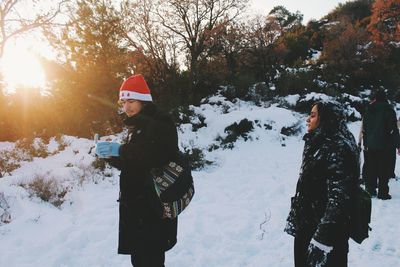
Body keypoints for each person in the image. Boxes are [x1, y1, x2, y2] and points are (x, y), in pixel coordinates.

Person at [95, 74, 178, 267]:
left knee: (150, 261)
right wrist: (111, 156)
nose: (127, 107)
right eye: (124, 102)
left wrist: (121, 149)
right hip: (139, 208)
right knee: (141, 260)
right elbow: (134, 164)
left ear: (144, 100)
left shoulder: (160, 122)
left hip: (152, 208)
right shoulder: (139, 125)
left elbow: (157, 155)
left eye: (131, 101)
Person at [285, 101, 360, 267]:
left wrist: (321, 241)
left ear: (326, 118)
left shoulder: (337, 147)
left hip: (323, 235)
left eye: (313, 115)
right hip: (308, 226)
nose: (307, 119)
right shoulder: (320, 141)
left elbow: (339, 197)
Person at [362, 89, 400, 200]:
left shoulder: (368, 110)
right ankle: (383, 193)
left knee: (371, 168)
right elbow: (393, 129)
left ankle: (370, 189)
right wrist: (398, 144)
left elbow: (365, 129)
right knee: (384, 169)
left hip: (370, 145)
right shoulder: (388, 110)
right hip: (385, 146)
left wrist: (366, 144)